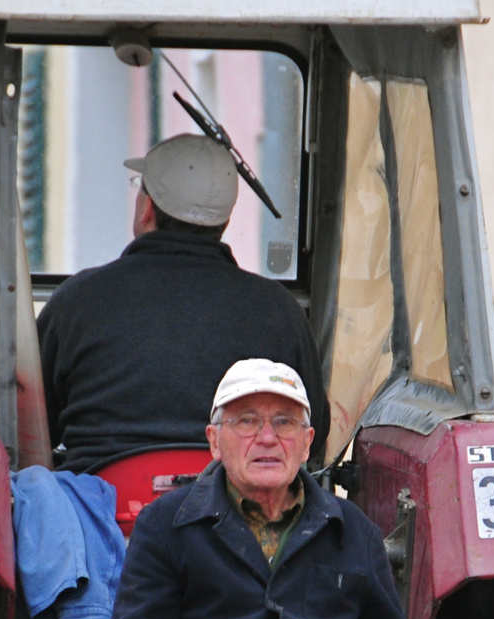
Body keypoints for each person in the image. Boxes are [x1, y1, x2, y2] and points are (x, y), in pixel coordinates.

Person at [105, 359, 443, 619]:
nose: (267, 438)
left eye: (284, 422)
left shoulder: (354, 529)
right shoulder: (165, 524)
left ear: (306, 443)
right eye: (247, 421)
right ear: (215, 441)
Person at [37, 135, 329, 475]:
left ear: (146, 209)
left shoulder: (76, 300)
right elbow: (314, 432)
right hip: (232, 516)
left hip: (98, 518)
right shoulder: (281, 311)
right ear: (224, 223)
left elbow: (30, 426)